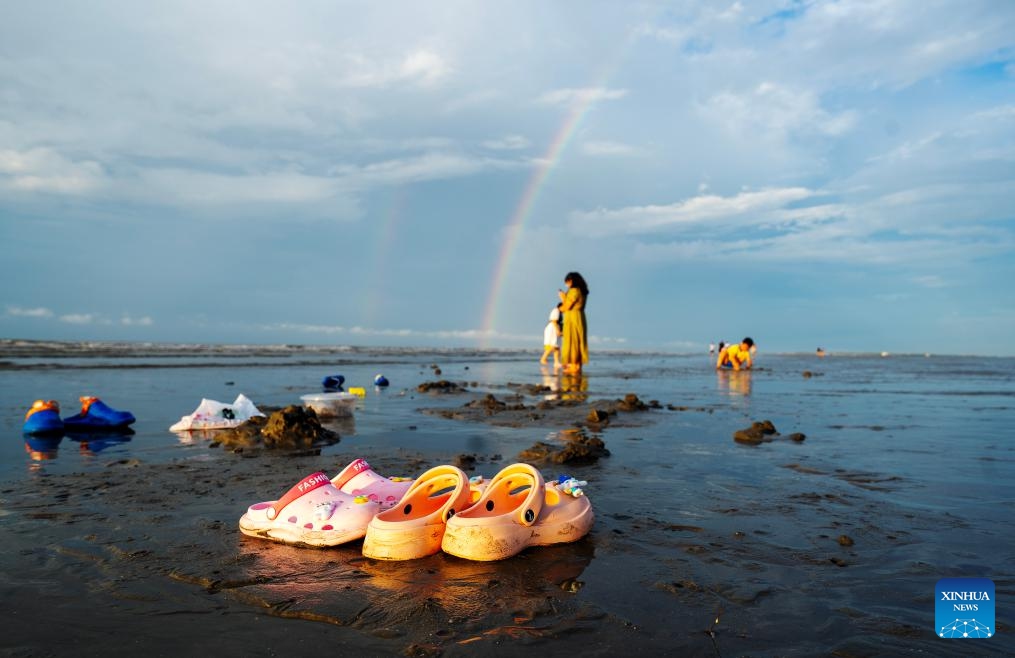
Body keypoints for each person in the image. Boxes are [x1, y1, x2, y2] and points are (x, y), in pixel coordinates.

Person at [558, 271, 589, 375]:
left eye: (567, 282)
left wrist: (562, 297)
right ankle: (577, 365)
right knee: (579, 341)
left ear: (571, 281)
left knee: (572, 341)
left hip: (572, 318)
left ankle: (574, 366)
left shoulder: (574, 291)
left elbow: (567, 307)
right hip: (580, 317)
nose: (567, 285)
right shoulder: (582, 291)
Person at [540, 303, 563, 368]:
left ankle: (556, 362)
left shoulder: (560, 312)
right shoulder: (556, 311)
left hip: (555, 328)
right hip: (552, 329)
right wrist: (558, 330)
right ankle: (543, 358)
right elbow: (554, 321)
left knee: (557, 347)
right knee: (552, 345)